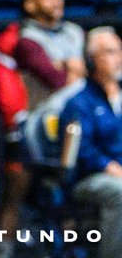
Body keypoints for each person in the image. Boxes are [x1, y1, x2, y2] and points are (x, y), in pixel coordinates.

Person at [0, 0, 85, 256]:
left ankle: (70, 249)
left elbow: (86, 74)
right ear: (30, 4)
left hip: (73, 127)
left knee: (69, 195)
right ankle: (3, 249)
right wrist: (70, 68)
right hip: (33, 128)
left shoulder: (74, 32)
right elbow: (54, 78)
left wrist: (66, 67)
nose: (57, 1)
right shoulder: (26, 40)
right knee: (15, 195)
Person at [58, 26, 122, 258]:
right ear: (92, 60)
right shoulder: (79, 102)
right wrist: (111, 167)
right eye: (111, 52)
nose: (119, 58)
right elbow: (82, 150)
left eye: (120, 51)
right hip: (90, 178)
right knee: (120, 191)